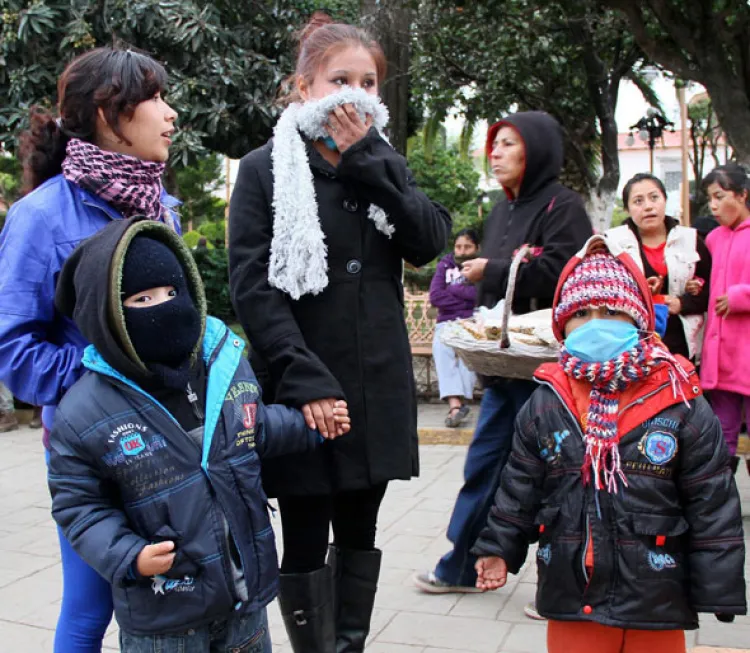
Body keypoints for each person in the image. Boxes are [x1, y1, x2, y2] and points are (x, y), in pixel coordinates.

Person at [227, 12, 451, 653]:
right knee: (302, 536)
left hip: (375, 388)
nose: (355, 94)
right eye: (338, 80)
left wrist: (370, 158)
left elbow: (427, 241)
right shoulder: (266, 169)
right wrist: (304, 383)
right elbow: (253, 286)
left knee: (360, 529)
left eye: (368, 82)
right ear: (304, 88)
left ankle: (347, 646)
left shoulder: (382, 162)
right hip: (304, 385)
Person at [49, 218, 350, 652]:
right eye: (143, 299)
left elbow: (255, 427)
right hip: (164, 618)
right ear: (108, 314)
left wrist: (311, 425)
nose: (165, 307)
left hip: (245, 604)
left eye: (173, 293)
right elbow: (79, 506)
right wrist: (128, 555)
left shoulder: (222, 366)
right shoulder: (83, 411)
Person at [472, 237, 747, 653]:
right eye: (580, 313)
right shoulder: (547, 401)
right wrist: (498, 548)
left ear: (638, 319)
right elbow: (518, 488)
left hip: (656, 595)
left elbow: (712, 500)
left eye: (611, 311)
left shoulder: (679, 398)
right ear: (560, 323)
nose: (596, 323)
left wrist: (719, 584)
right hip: (571, 592)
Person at [0, 47, 179, 652]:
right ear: (109, 113)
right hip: (92, 454)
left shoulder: (163, 210)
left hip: (170, 437)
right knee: (90, 605)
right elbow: (14, 349)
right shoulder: (39, 218)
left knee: (175, 591)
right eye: (154, 98)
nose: (170, 113)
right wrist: (103, 379)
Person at [414, 112, 593, 613]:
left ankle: (563, 585)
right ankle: (462, 564)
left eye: (508, 144)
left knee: (557, 477)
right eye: (494, 144)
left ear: (534, 150)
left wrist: (492, 268)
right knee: (485, 465)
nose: (495, 153)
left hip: (550, 373)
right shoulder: (498, 211)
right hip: (503, 366)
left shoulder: (564, 206)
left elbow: (565, 272)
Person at [606, 173, 711, 362]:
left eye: (654, 197)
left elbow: (712, 289)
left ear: (664, 200)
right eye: (638, 201)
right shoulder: (612, 244)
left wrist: (683, 304)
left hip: (683, 346)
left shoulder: (691, 240)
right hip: (630, 348)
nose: (648, 206)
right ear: (627, 209)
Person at [701, 163, 750, 476]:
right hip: (720, 358)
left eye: (720, 196)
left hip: (746, 352)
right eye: (710, 199)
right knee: (722, 435)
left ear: (743, 195)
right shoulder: (714, 239)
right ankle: (721, 508)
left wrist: (740, 297)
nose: (714, 206)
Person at [429, 228, 480, 427]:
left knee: (470, 352)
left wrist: (454, 290)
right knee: (441, 350)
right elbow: (435, 297)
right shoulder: (445, 266)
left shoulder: (481, 267)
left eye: (468, 247)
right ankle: (455, 405)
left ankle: (458, 405)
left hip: (474, 321)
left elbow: (480, 295)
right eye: (459, 247)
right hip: (447, 322)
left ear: (477, 248)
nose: (462, 251)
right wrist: (465, 298)